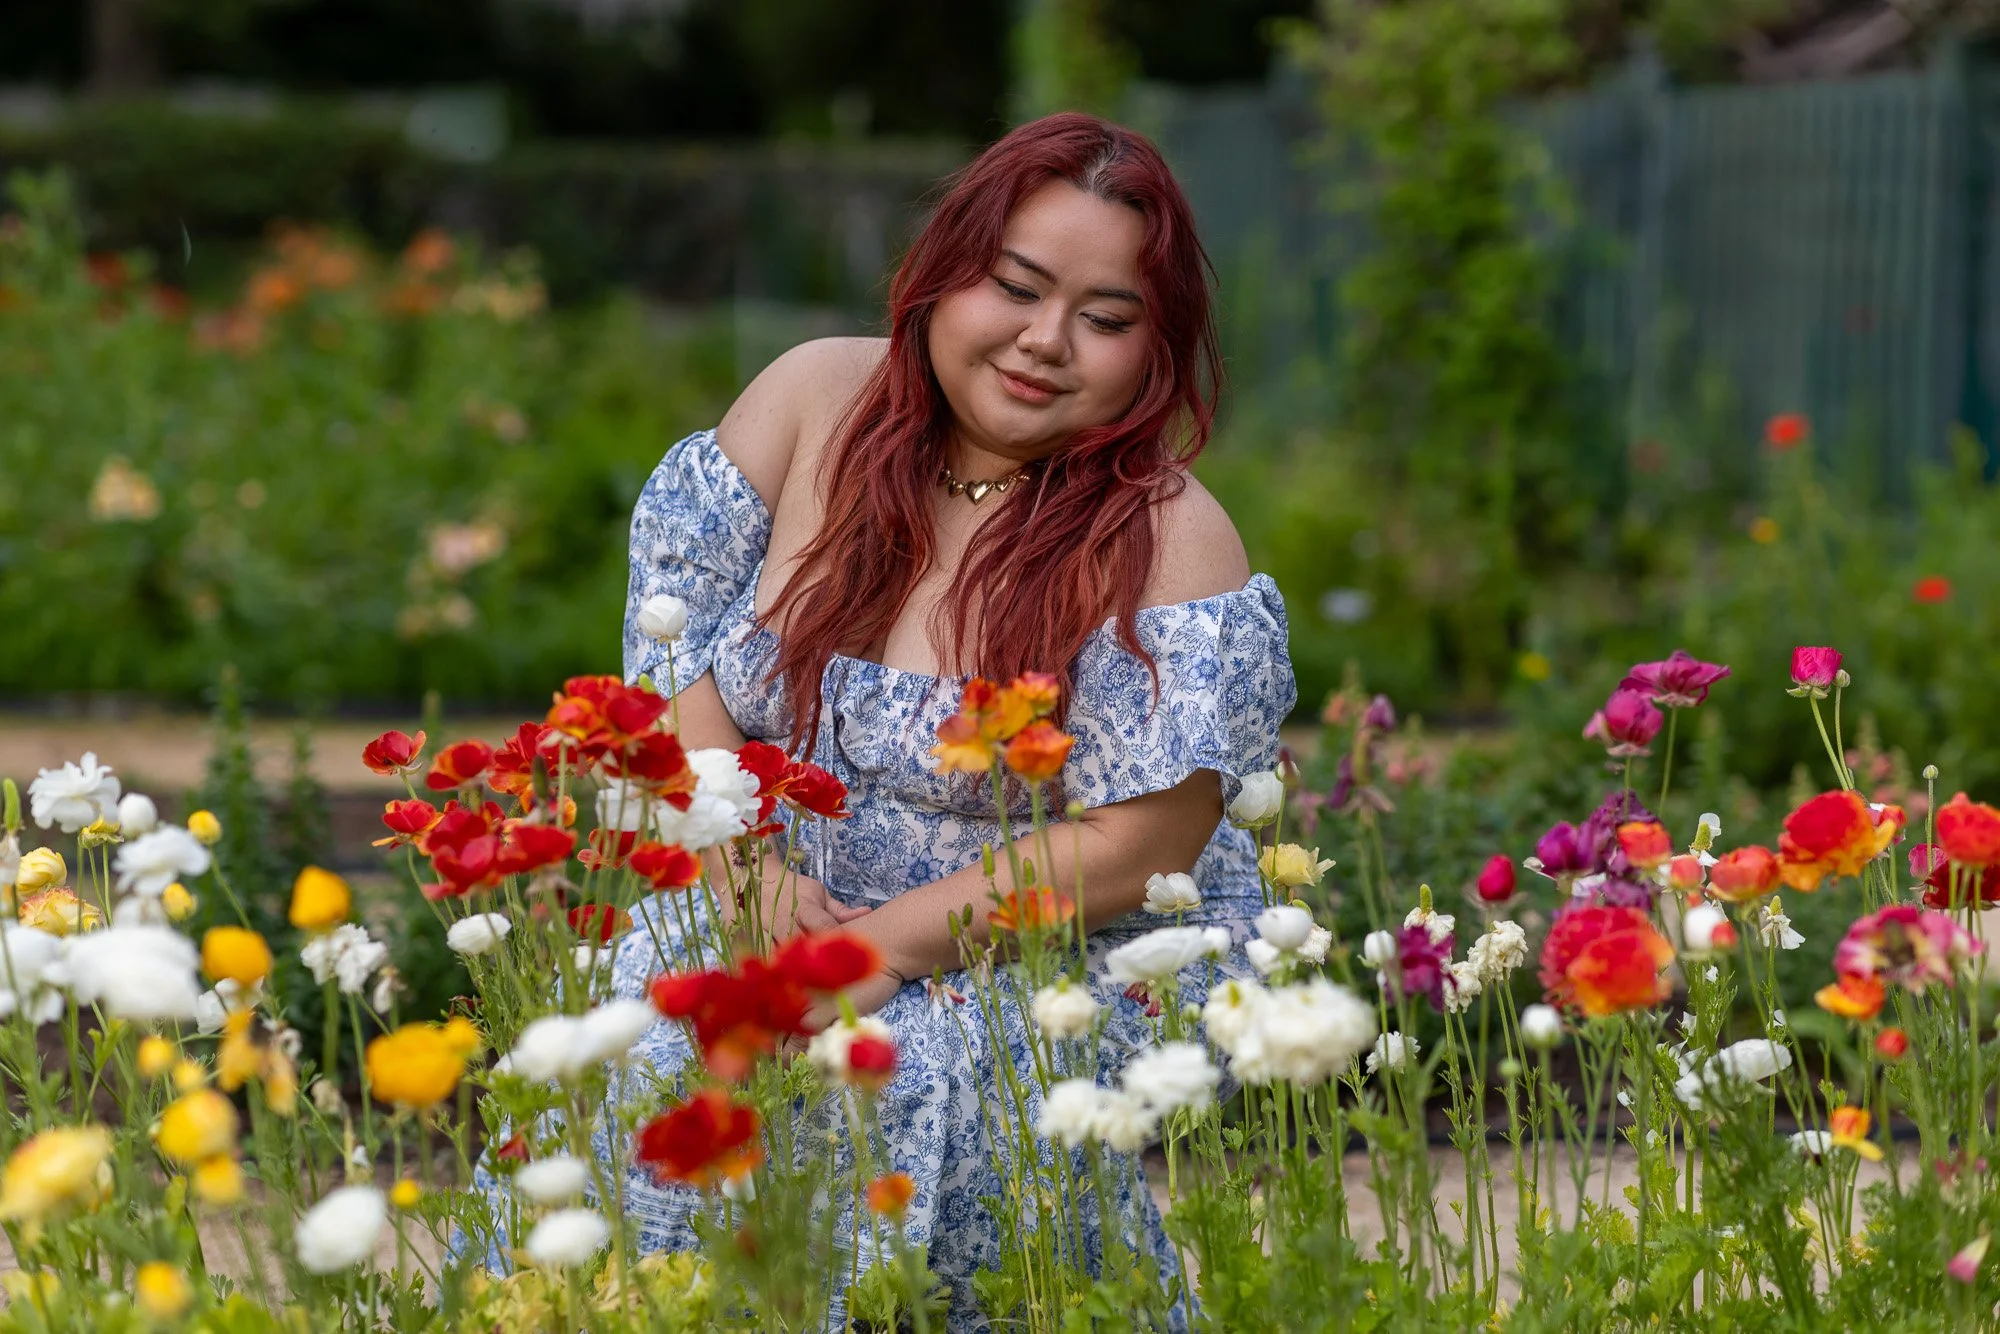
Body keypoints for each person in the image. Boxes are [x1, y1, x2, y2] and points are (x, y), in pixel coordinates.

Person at [610, 111, 1296, 1327]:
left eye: (1105, 316)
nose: (1044, 341)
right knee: (660, 1041)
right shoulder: (812, 401)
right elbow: (676, 671)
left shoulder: (1170, 533)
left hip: (1042, 947)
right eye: (1016, 287)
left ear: (1155, 346)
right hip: (770, 887)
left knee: (905, 1077)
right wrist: (744, 878)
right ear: (941, 272)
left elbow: (1141, 846)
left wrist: (861, 962)